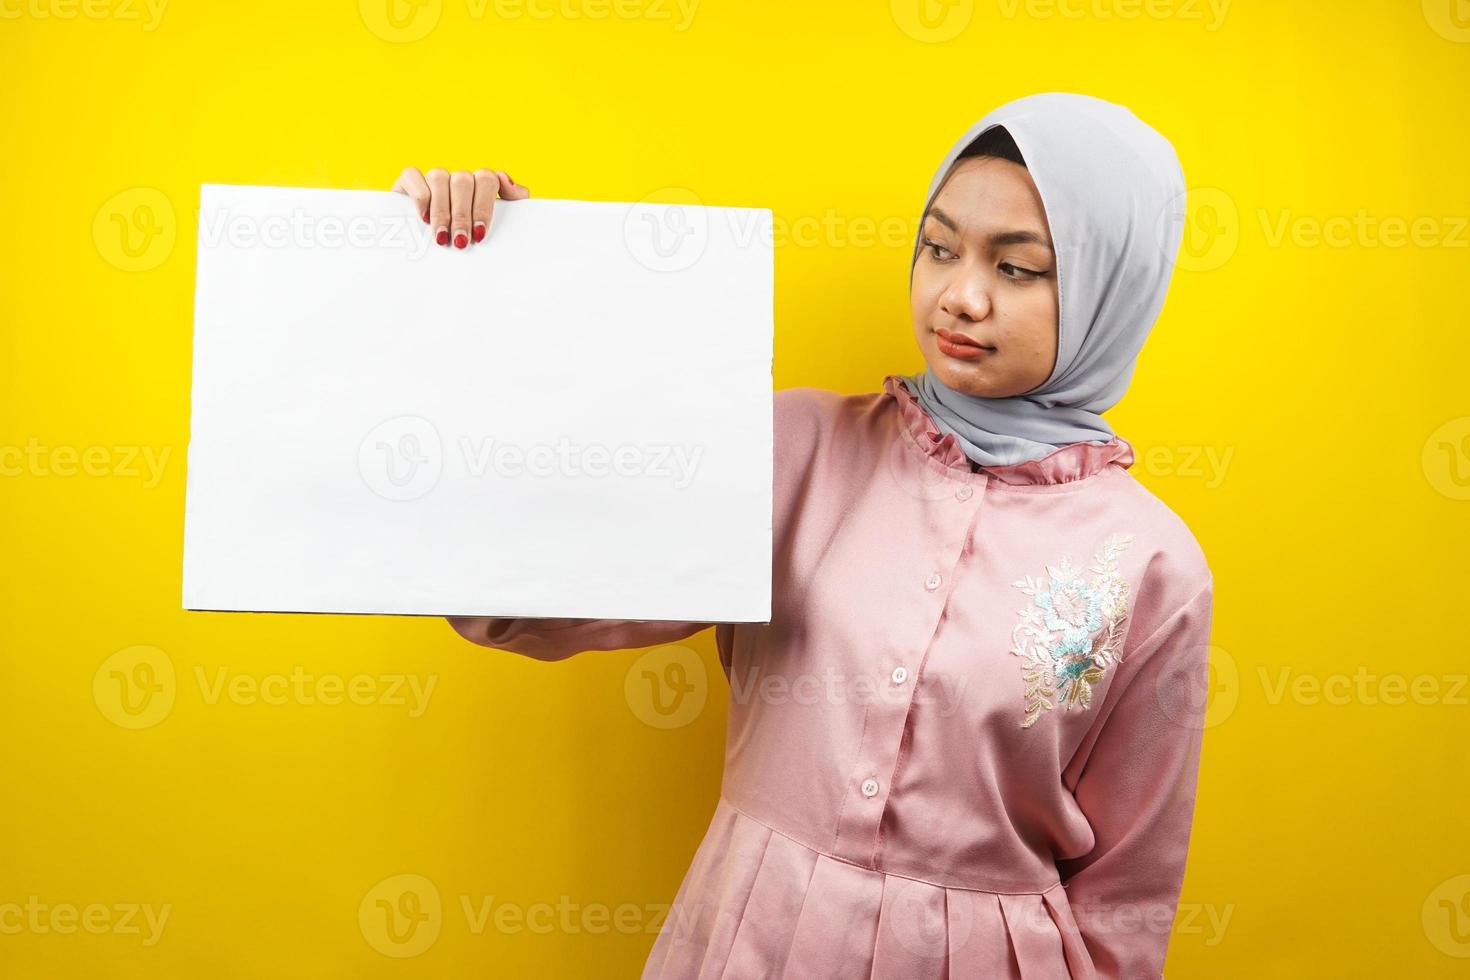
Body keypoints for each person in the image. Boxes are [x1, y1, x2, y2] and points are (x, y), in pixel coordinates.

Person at [404, 91, 1214, 979]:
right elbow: (536, 600)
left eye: (1018, 268)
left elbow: (1127, 896)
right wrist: (486, 290)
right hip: (750, 941)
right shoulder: (797, 448)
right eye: (937, 249)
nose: (960, 296)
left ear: (1113, 286)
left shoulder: (1152, 561)